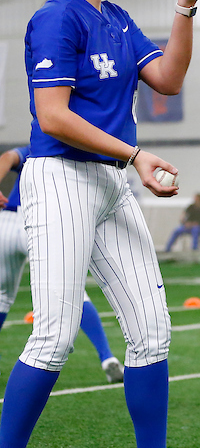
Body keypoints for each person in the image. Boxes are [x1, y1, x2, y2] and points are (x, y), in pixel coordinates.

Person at [0, 0, 200, 448]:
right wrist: (135, 154)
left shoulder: (120, 19)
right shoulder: (54, 18)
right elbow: (51, 117)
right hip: (59, 181)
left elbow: (170, 79)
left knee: (153, 329)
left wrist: (186, 8)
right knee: (52, 334)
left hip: (108, 184)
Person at [0, 146, 124, 383]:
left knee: (2, 296)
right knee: (75, 292)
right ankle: (107, 357)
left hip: (5, 222)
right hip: (38, 222)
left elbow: (7, 157)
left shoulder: (38, 146)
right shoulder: (67, 149)